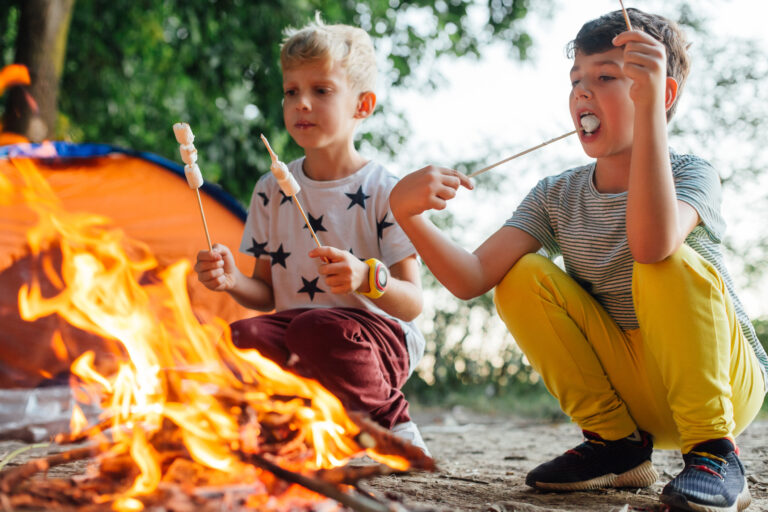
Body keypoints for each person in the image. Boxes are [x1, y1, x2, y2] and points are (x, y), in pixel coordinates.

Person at [389, 7, 766, 511]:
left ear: (661, 91)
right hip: (634, 389)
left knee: (660, 261)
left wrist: (650, 111)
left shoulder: (693, 173)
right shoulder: (554, 195)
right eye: (576, 81)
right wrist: (407, 215)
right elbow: (473, 276)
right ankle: (616, 447)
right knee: (519, 275)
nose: (582, 93)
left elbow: (652, 245)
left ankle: (715, 455)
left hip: (721, 386)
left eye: (606, 77)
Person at [194, 16, 429, 456]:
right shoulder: (270, 189)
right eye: (291, 91)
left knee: (315, 327)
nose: (301, 103)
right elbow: (264, 293)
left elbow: (413, 303)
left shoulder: (385, 190)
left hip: (379, 340)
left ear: (363, 105)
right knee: (239, 338)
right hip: (301, 330)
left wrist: (365, 278)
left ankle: (393, 428)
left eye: (321, 90)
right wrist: (230, 279)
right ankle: (297, 433)